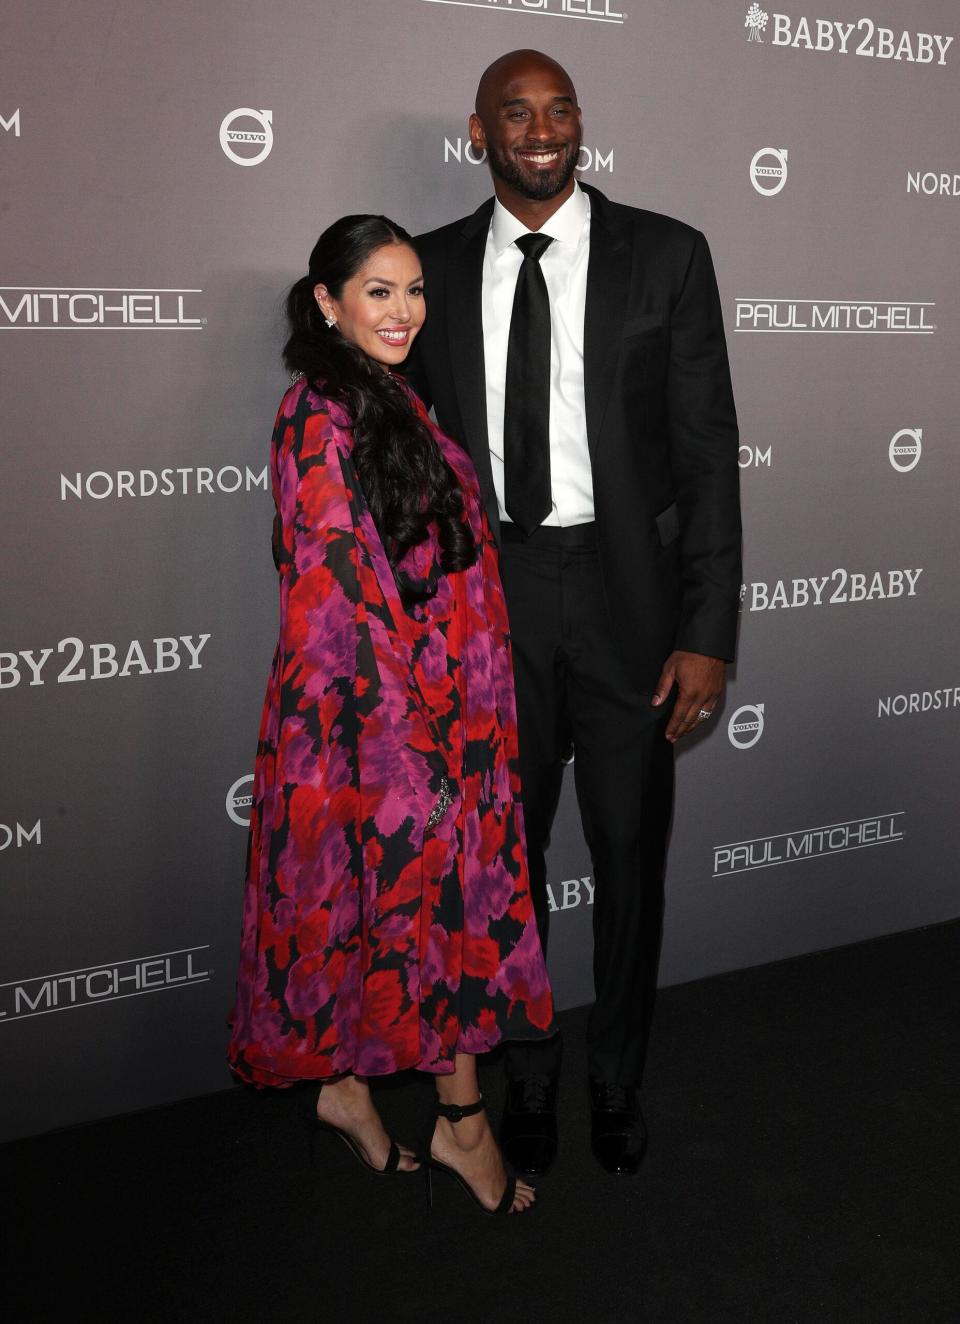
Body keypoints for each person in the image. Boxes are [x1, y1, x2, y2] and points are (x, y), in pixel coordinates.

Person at [403, 51, 741, 1176]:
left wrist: (707, 632)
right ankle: (531, 1076)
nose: (540, 131)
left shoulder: (668, 254)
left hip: (630, 606)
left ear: (580, 125)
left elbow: (706, 457)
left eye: (558, 112)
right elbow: (397, 458)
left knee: (630, 851)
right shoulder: (433, 269)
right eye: (516, 113)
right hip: (487, 601)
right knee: (505, 861)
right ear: (477, 132)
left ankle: (616, 1076)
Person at [228, 214, 555, 1215]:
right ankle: (462, 1127)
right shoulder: (315, 415)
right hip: (384, 730)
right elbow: (338, 606)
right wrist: (417, 750)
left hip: (442, 714)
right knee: (430, 919)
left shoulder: (389, 401)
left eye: (413, 290)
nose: (405, 310)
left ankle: (345, 1092)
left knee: (401, 925)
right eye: (379, 290)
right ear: (327, 302)